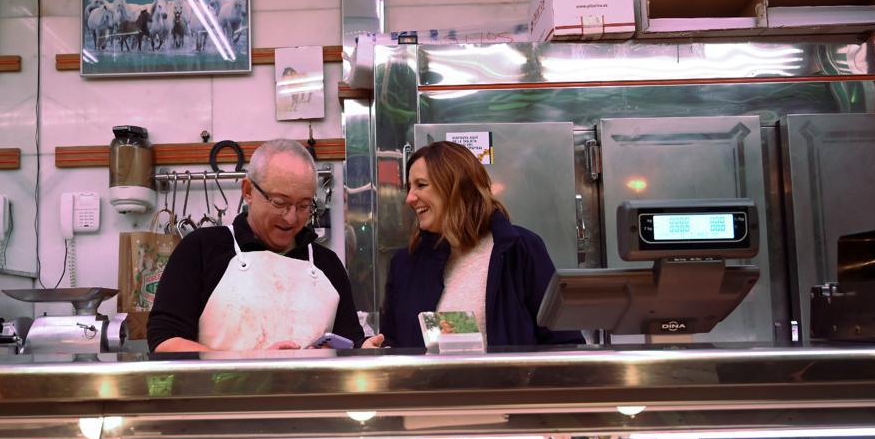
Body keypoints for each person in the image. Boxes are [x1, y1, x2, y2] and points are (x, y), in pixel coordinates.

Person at [147, 138, 382, 352]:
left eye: (303, 206)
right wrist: (252, 364)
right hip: (220, 397)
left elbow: (348, 343)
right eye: (280, 203)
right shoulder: (201, 249)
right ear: (248, 191)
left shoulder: (327, 264)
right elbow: (165, 340)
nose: (291, 218)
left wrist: (363, 350)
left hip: (308, 397)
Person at [379, 140, 584, 349]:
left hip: (509, 382)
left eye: (421, 185)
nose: (410, 198)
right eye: (409, 187)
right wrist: (376, 349)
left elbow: (565, 343)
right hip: (427, 383)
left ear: (455, 187)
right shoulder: (404, 264)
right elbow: (393, 343)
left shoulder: (519, 249)